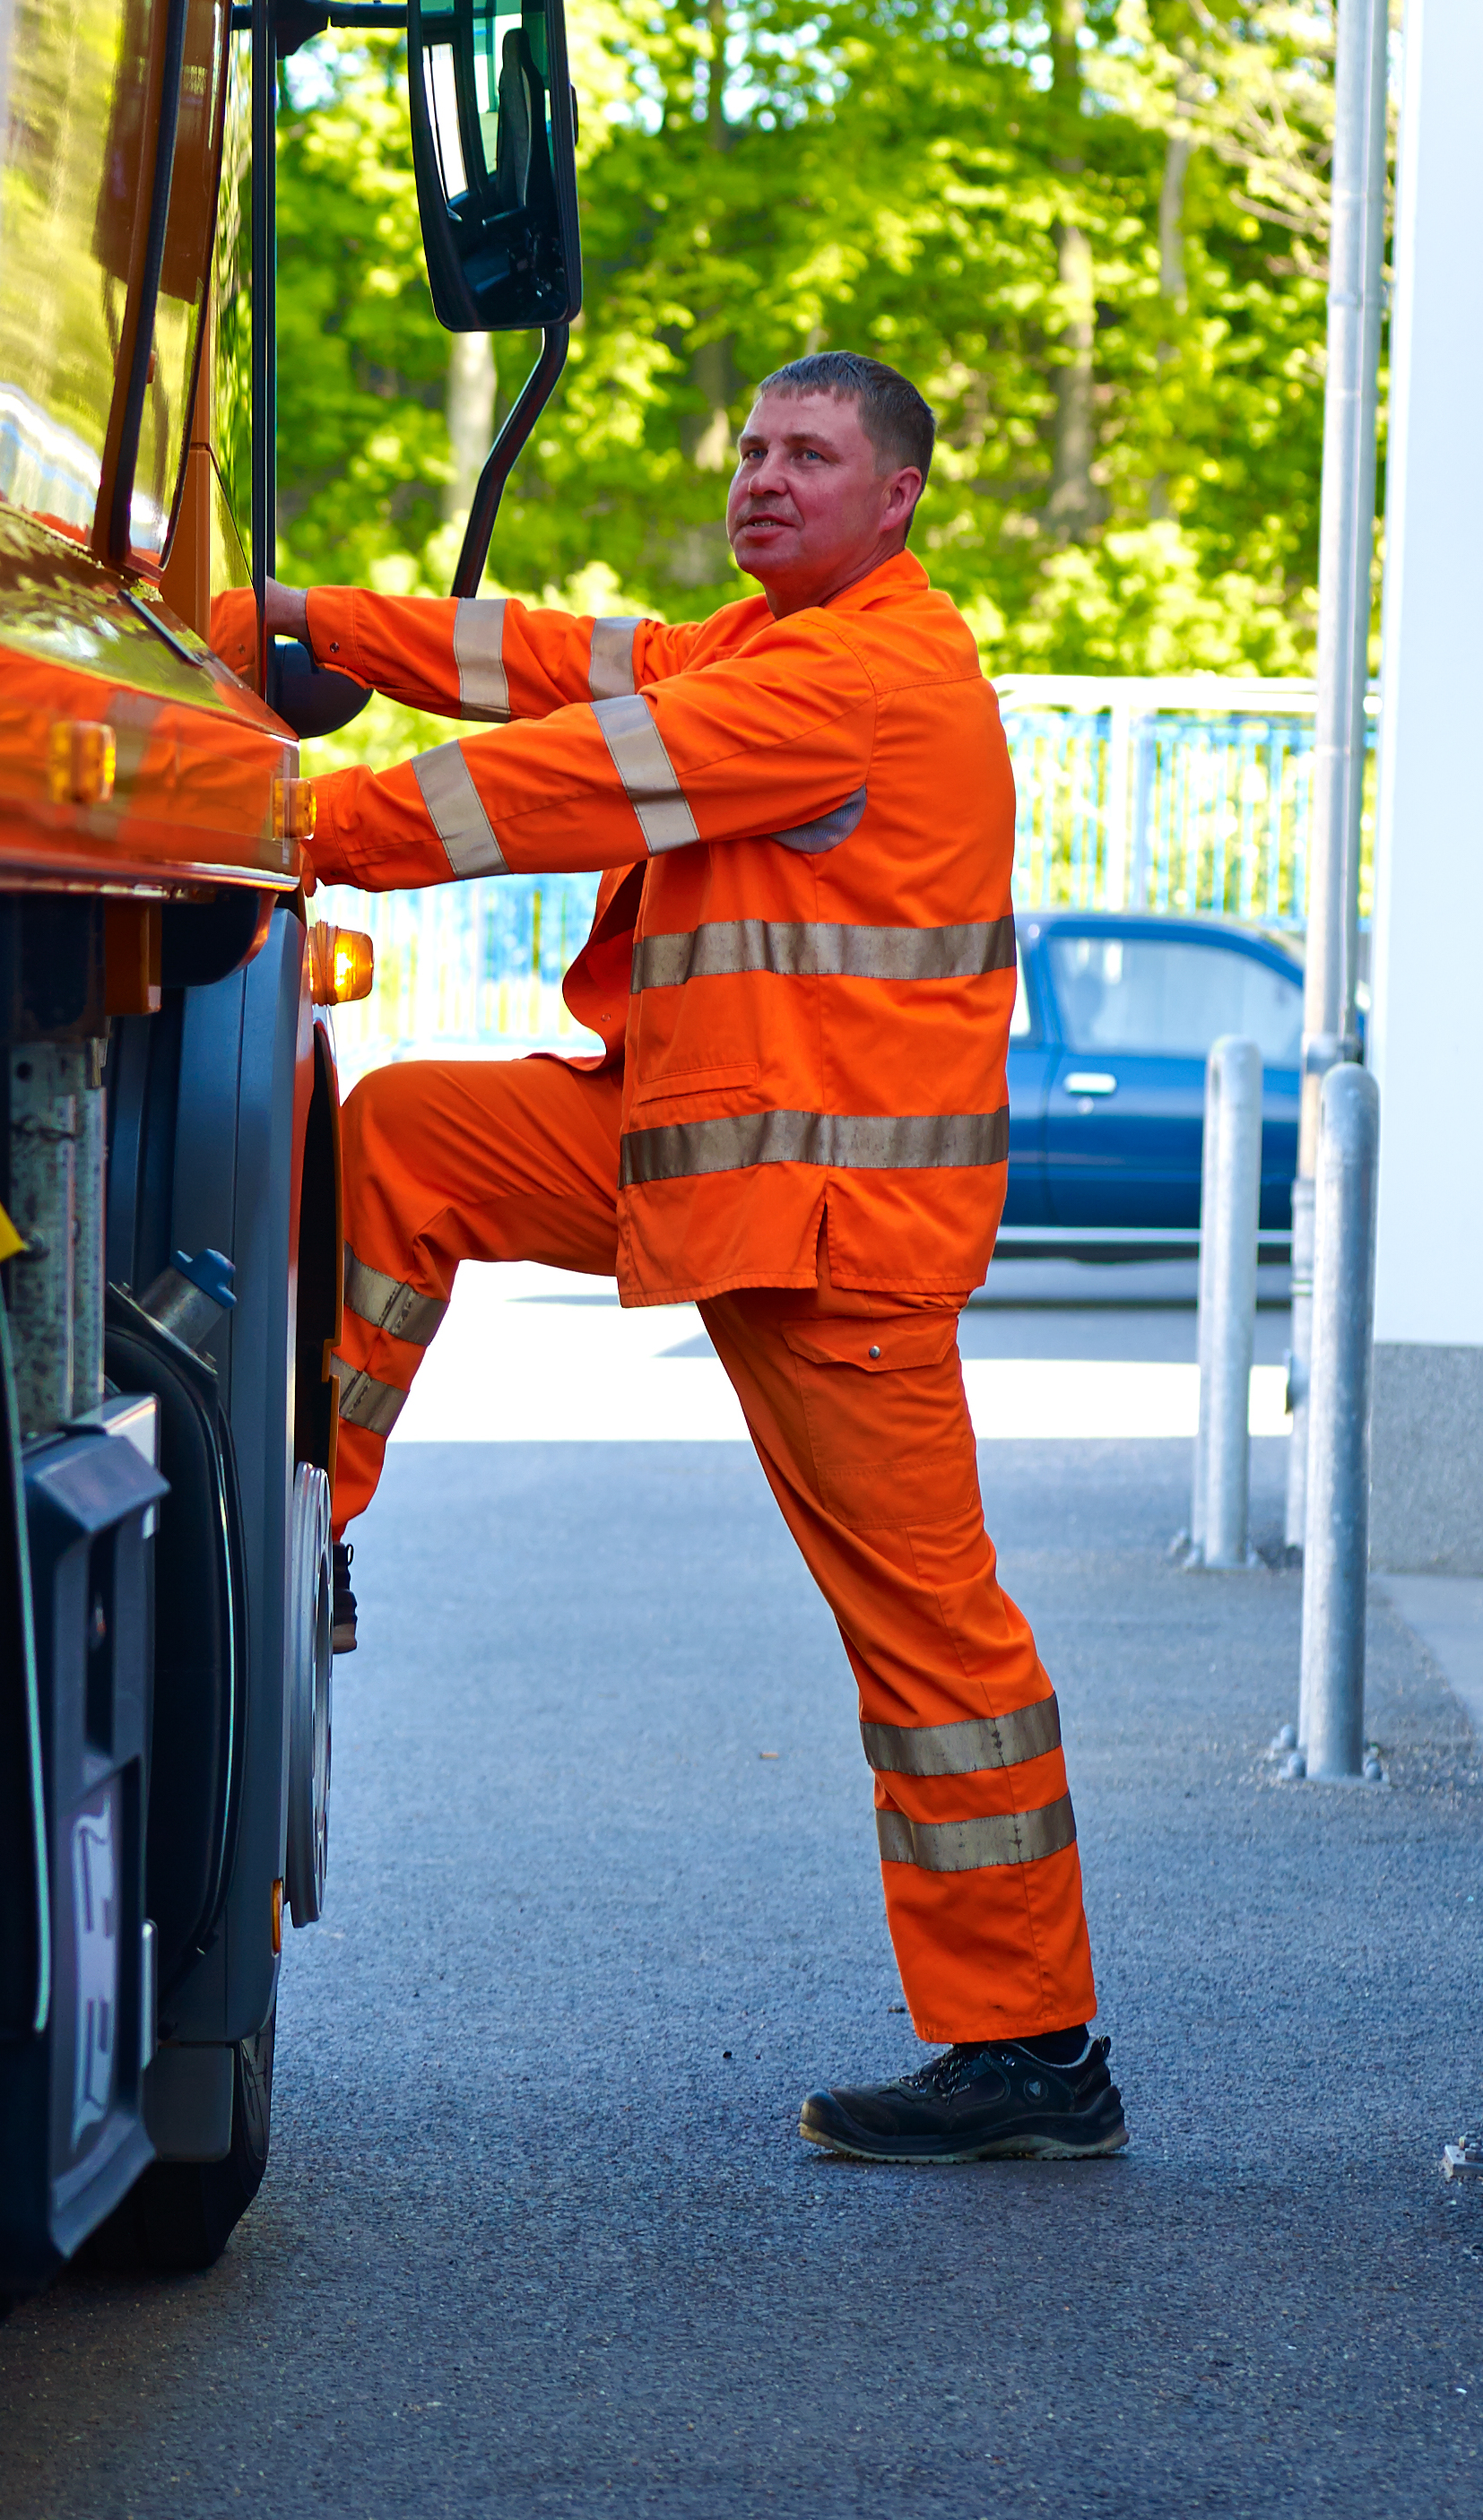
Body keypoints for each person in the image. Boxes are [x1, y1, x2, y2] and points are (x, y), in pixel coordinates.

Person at [223, 351, 1121, 2165]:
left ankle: (1030, 2043)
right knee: (409, 1136)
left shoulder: (852, 684)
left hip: (831, 1239)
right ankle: (315, 1507)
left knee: (930, 1636)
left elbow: (562, 777)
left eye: (809, 453)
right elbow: (555, 660)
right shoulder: (768, 648)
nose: (762, 477)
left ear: (898, 501)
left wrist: (286, 829)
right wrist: (303, 616)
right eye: (751, 448)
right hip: (720, 1164)